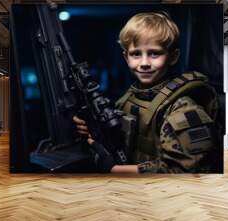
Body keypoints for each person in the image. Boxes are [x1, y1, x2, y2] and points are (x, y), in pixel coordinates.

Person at [73, 12, 220, 173]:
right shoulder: (130, 96)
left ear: (173, 56)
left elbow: (182, 172)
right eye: (136, 54)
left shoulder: (183, 108)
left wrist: (115, 170)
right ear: (126, 58)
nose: (144, 63)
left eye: (154, 53)